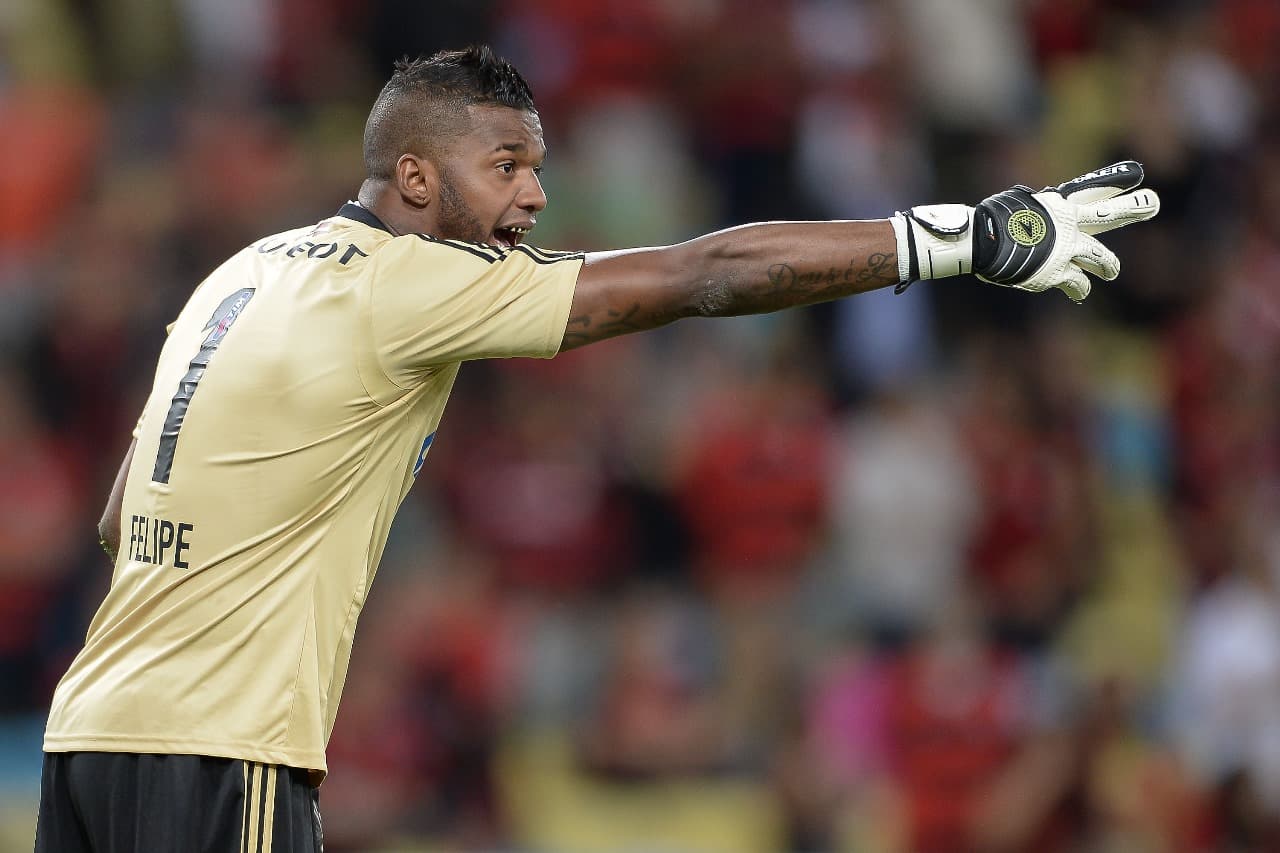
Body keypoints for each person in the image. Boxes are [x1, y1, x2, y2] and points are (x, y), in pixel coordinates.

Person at [33, 44, 1160, 852]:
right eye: (507, 165)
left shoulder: (242, 268)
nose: (533, 195)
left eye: (537, 165)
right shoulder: (410, 281)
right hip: (224, 748)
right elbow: (704, 275)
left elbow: (122, 507)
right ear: (415, 178)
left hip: (89, 733)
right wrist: (954, 237)